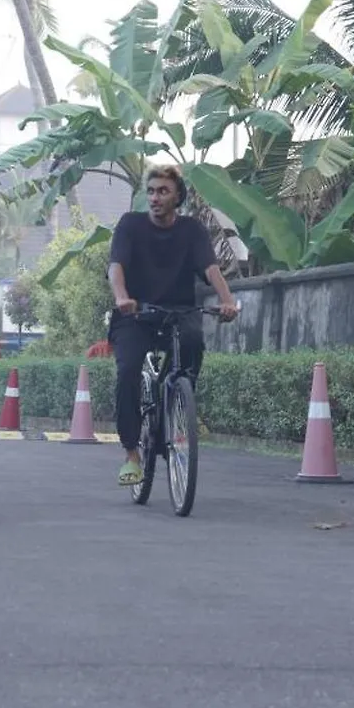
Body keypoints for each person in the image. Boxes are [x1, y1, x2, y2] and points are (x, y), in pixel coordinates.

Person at [107, 164, 239, 486]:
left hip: (179, 312)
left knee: (192, 346)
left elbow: (211, 270)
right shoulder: (130, 225)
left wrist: (227, 301)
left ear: (178, 196)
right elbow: (115, 267)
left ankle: (175, 406)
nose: (155, 197)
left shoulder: (191, 230)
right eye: (150, 191)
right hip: (135, 315)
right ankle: (132, 454)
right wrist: (123, 297)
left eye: (163, 191)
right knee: (127, 373)